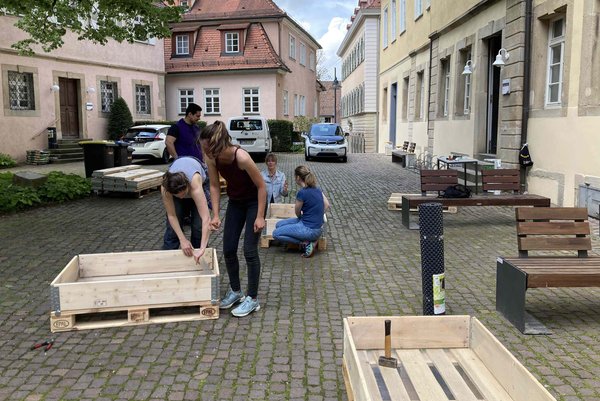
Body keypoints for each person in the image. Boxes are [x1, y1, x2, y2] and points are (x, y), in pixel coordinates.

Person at [198, 121, 266, 317]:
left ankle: (252, 299)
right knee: (228, 249)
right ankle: (236, 292)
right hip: (236, 202)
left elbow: (262, 186)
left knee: (249, 251)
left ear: (217, 145)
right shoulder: (212, 158)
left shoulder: (241, 157)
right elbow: (213, 186)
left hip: (254, 202)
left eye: (206, 148)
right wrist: (216, 214)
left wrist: (260, 216)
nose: (204, 152)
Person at [272, 165, 330, 258]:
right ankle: (308, 239)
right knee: (278, 225)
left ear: (298, 178)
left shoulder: (302, 192)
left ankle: (305, 243)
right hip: (318, 229)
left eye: (295, 177)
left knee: (276, 234)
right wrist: (316, 215)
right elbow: (327, 205)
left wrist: (302, 219)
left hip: (309, 230)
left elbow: (297, 212)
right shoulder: (317, 189)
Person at [161, 157, 211, 262]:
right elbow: (172, 215)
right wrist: (183, 239)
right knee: (172, 229)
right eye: (178, 196)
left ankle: (200, 257)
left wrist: (202, 248)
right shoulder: (165, 188)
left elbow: (206, 218)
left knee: (198, 227)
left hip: (195, 175)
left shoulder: (195, 183)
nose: (182, 198)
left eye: (183, 194)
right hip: (178, 179)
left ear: (187, 186)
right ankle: (168, 261)